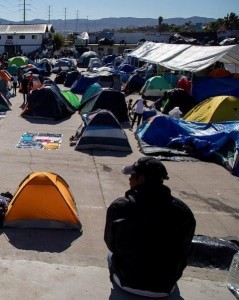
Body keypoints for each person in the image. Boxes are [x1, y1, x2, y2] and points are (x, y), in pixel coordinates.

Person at [104, 156, 196, 298]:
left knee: (109, 255)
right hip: (165, 287)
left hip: (127, 282)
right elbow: (185, 249)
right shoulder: (183, 211)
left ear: (142, 179)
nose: (129, 179)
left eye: (133, 176)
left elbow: (111, 244)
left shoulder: (119, 207)